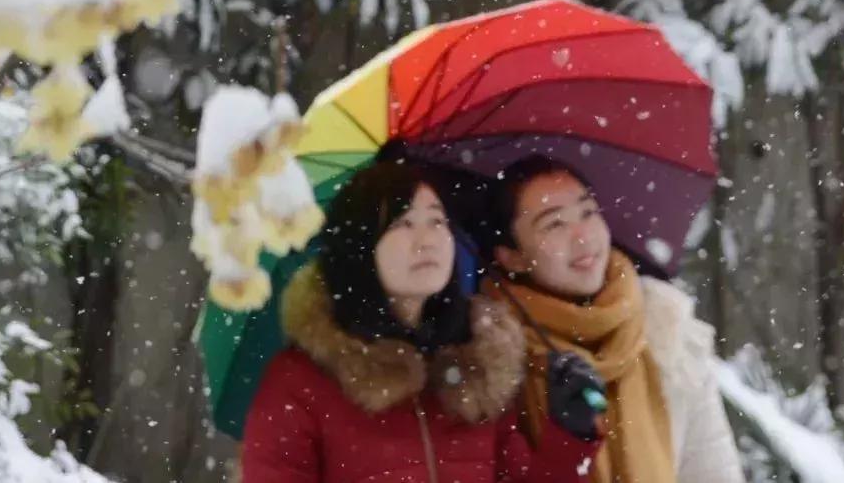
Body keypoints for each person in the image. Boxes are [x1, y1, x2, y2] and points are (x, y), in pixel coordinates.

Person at [241, 159, 606, 483]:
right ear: (360, 246)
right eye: (403, 223)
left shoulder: (475, 365)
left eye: (436, 220)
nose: (427, 240)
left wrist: (569, 436)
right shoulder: (300, 383)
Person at [484, 159, 745, 483]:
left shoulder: (666, 330)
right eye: (554, 225)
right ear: (511, 256)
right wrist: (564, 437)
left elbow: (712, 472)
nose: (582, 237)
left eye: (588, 212)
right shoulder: (492, 361)